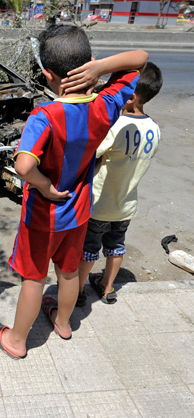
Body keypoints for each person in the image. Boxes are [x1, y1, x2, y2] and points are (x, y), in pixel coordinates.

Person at [0, 24, 148, 359]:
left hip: (43, 214)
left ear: (46, 74)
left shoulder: (45, 115)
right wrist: (102, 67)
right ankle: (63, 323)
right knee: (68, 271)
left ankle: (16, 340)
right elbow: (141, 59)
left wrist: (45, 185)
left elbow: (26, 167)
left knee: (33, 278)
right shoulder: (104, 105)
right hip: (78, 211)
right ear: (89, 61)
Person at [77, 63, 162, 306]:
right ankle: (107, 287)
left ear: (131, 96)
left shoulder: (116, 126)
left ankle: (80, 291)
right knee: (116, 246)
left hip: (100, 203)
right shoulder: (155, 129)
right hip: (126, 204)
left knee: (89, 248)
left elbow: (91, 153)